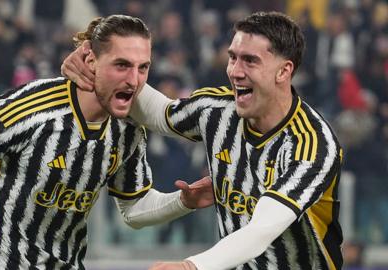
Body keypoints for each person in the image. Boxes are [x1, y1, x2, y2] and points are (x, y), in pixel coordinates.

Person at [0, 15, 214, 269]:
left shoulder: (128, 128)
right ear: (90, 60)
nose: (134, 80)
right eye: (122, 65)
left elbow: (133, 208)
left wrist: (183, 202)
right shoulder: (28, 108)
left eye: (143, 67)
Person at [62, 11, 344, 270]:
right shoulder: (217, 109)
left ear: (284, 71)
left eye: (250, 60)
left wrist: (190, 267)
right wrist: (98, 65)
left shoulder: (313, 144)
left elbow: (262, 231)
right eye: (233, 57)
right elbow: (159, 113)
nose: (235, 71)